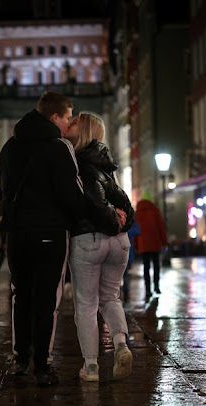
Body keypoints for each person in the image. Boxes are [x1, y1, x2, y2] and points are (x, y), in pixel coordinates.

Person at [0, 91, 84, 387]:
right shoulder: (59, 147)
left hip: (17, 234)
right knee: (48, 300)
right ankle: (43, 366)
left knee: (20, 296)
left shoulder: (9, 147)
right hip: (50, 231)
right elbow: (72, 194)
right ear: (55, 117)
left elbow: (3, 192)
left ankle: (21, 359)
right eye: (67, 118)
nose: (68, 125)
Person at [64, 111, 135, 382]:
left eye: (73, 123)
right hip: (119, 242)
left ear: (81, 131)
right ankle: (120, 345)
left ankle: (91, 366)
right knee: (110, 298)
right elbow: (123, 202)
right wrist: (120, 224)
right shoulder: (106, 162)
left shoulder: (77, 162)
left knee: (86, 303)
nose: (67, 126)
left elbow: (94, 200)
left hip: (88, 239)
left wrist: (110, 220)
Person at [135, 191, 168, 300]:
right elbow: (161, 227)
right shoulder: (155, 210)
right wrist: (164, 242)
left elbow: (135, 230)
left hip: (143, 245)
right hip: (155, 243)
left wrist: (136, 245)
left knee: (146, 267)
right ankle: (157, 286)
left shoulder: (137, 212)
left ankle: (148, 289)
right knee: (156, 265)